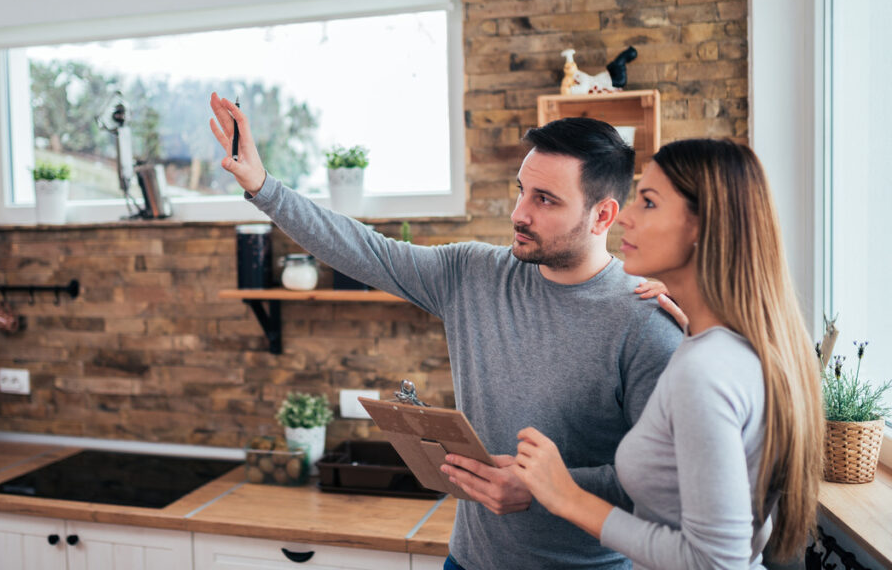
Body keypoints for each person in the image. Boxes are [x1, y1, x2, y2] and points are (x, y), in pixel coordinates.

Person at [209, 92, 683, 570]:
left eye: (545, 200)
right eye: (521, 190)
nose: (520, 213)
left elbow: (663, 482)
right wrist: (262, 186)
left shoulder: (646, 321)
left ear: (603, 215)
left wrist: (544, 488)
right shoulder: (473, 273)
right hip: (467, 561)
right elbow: (363, 249)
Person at [513, 139, 824, 569]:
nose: (626, 216)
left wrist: (566, 496)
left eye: (649, 202)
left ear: (702, 226)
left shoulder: (706, 370)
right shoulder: (733, 348)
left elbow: (715, 561)